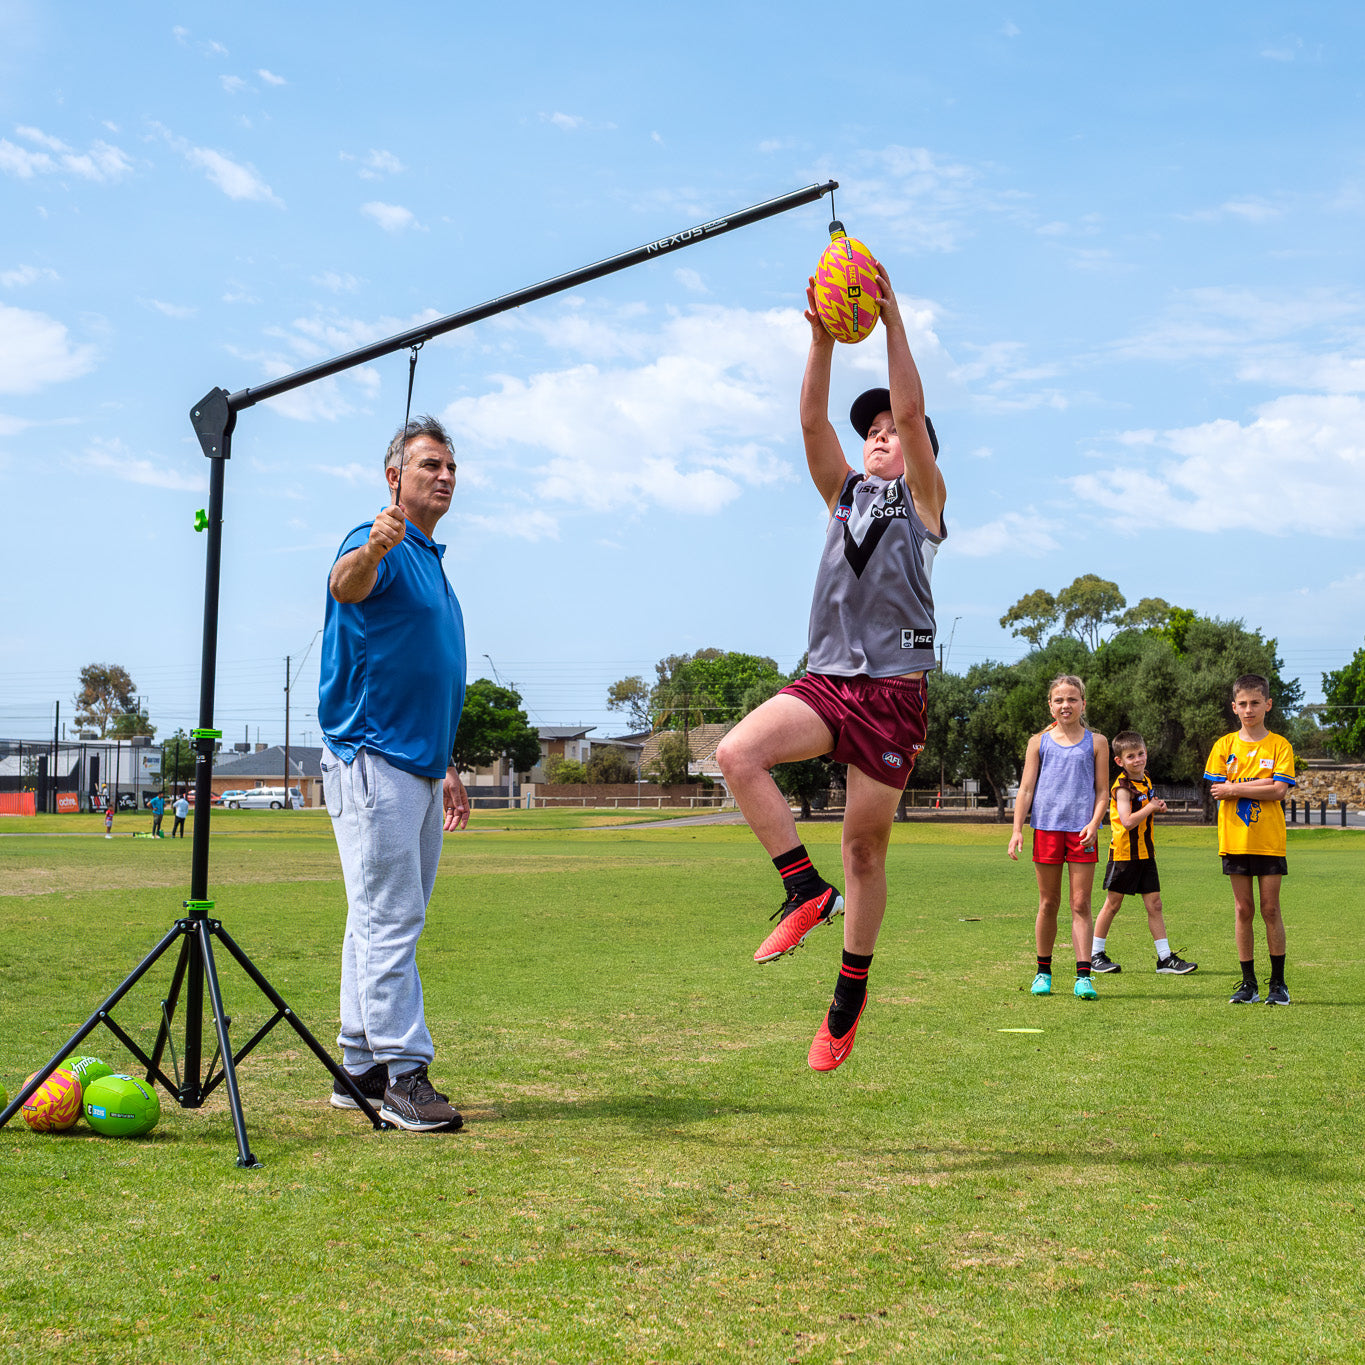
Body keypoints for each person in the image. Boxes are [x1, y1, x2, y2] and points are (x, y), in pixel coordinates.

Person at [715, 260, 946, 1072]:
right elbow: (811, 421)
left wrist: (891, 322)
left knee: (865, 851)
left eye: (892, 430)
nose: (881, 433)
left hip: (891, 695)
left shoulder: (923, 505)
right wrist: (817, 339)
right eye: (872, 429)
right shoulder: (842, 493)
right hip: (827, 678)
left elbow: (913, 412)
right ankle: (802, 890)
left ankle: (848, 993)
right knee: (734, 753)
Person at [318, 413, 472, 1131]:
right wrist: (375, 545)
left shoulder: (433, 560)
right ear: (394, 478)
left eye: (448, 466)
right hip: (372, 755)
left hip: (416, 764)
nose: (442, 475)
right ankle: (405, 1076)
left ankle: (357, 1067)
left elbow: (427, 671)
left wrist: (446, 764)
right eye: (427, 465)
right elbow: (345, 585)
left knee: (373, 917)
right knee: (391, 916)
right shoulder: (373, 539)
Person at [1008, 676, 1108, 1000]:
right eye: (1059, 700)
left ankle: (1083, 977)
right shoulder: (1038, 742)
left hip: (1082, 832)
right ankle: (1043, 972)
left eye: (1072, 699)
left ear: (1083, 704)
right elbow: (1025, 789)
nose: (1066, 705)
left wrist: (1095, 823)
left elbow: (1103, 792)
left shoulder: (1098, 743)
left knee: (1081, 903)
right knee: (1048, 903)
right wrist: (1016, 830)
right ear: (1050, 705)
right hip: (1047, 829)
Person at [1204, 674, 1296, 1005]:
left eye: (1255, 703)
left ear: (1268, 705)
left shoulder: (1280, 745)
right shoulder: (1224, 746)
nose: (1248, 709)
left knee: (1270, 909)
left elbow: (1278, 790)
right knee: (1243, 909)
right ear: (1234, 707)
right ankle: (1248, 984)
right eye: (1242, 704)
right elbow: (1217, 790)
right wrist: (1255, 785)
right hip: (1234, 841)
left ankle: (1279, 985)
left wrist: (1235, 788)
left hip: (1269, 841)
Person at [1090, 731, 1197, 976]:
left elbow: (1146, 807)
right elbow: (1126, 821)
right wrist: (1150, 807)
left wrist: (1156, 807)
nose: (1138, 759)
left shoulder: (1145, 779)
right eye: (1131, 756)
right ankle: (1095, 954)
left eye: (1141, 753)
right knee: (1113, 904)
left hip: (1146, 853)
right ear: (1119, 761)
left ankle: (1165, 959)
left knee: (1155, 904)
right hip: (1125, 854)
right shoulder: (1122, 787)